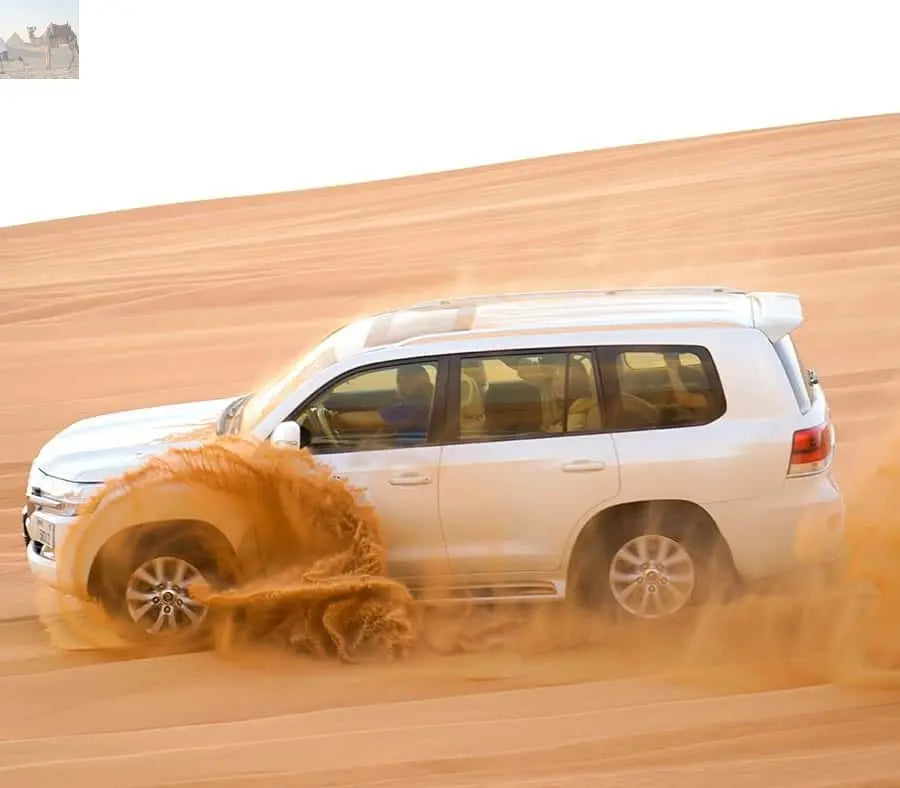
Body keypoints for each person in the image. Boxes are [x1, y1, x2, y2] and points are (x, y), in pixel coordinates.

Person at [332, 365, 435, 441]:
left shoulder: (413, 407)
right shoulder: (427, 401)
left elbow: (371, 419)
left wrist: (334, 418)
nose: (400, 383)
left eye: (401, 379)